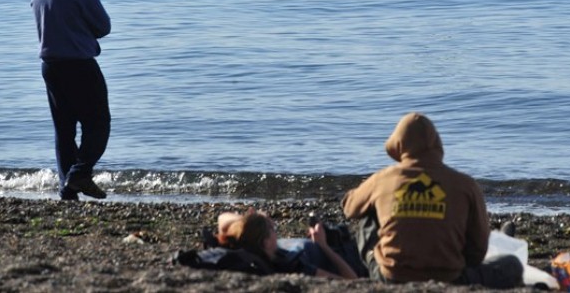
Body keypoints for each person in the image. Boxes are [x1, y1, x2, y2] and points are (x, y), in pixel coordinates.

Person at [342, 112, 522, 288]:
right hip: (451, 278)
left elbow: (349, 208)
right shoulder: (465, 185)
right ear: (437, 145)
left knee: (367, 211)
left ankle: (378, 261)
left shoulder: (382, 179)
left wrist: (374, 194)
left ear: (398, 145)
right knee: (511, 264)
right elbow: (478, 251)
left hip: (390, 277)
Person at [30, 0, 111, 201]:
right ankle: (79, 172)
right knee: (98, 123)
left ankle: (68, 188)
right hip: (79, 64)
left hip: (51, 66)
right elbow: (103, 27)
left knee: (64, 129)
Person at [211, 208, 360, 279]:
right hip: (341, 255)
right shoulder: (290, 264)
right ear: (266, 242)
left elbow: (222, 218)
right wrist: (323, 246)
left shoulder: (243, 244)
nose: (276, 232)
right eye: (273, 229)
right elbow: (351, 280)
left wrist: (249, 220)